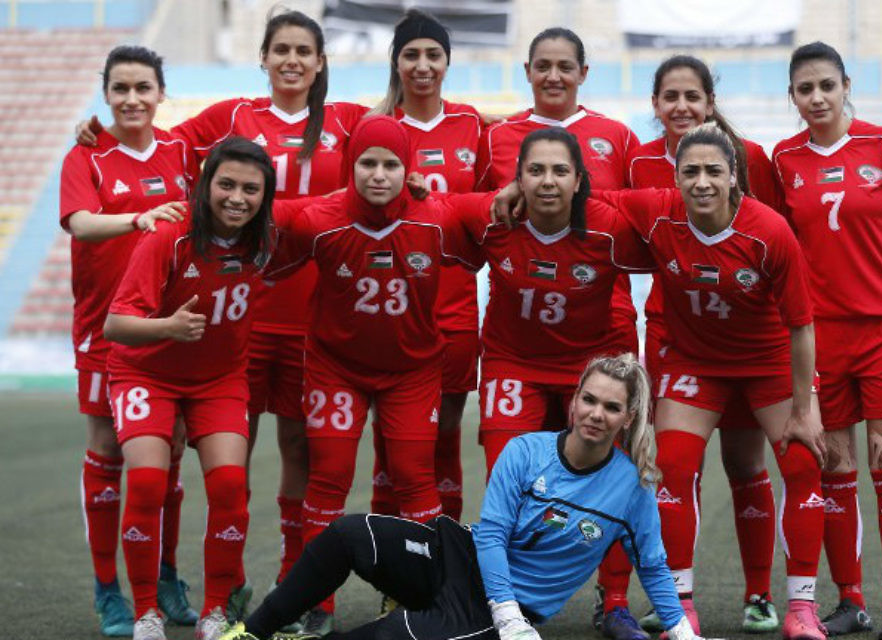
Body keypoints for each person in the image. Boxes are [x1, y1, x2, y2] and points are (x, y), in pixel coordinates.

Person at [76, 15, 367, 621]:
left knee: (299, 450)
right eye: (280, 49)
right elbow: (151, 139)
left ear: (319, 62)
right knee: (219, 459)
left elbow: (403, 139)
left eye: (303, 51)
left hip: (311, 317)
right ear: (262, 58)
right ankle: (221, 591)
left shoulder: (349, 122)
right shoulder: (231, 117)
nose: (292, 60)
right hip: (235, 324)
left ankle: (297, 581)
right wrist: (98, 134)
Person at [217, 353, 700, 640]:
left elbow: (653, 565)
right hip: (462, 559)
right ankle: (252, 632)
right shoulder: (527, 450)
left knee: (393, 634)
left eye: (611, 407)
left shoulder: (632, 485)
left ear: (629, 416)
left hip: (491, 613)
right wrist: (506, 612)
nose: (596, 414)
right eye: (589, 400)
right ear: (574, 400)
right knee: (348, 533)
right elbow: (490, 537)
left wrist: (680, 631)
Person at [592, 123, 829, 640]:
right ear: (675, 177)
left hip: (766, 363)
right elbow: (589, 192)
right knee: (671, 467)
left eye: (713, 171)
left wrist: (805, 405)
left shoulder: (768, 232)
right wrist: (519, 189)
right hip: (696, 362)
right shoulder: (658, 211)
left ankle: (801, 609)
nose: (701, 182)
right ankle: (679, 605)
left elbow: (802, 326)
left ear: (735, 177)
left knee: (803, 462)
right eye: (690, 171)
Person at [262, 115, 483, 635]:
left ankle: (421, 596)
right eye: (367, 163)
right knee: (329, 477)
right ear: (348, 166)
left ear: (407, 170)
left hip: (412, 369)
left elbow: (479, 235)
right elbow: (270, 249)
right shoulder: (319, 220)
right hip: (335, 367)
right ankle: (316, 603)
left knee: (415, 478)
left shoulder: (436, 218)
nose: (378, 174)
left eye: (390, 164)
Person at [772, 42, 882, 640]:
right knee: (835, 470)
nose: (817, 97)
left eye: (826, 84)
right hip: (819, 339)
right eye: (805, 88)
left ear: (846, 84)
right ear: (792, 95)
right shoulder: (783, 159)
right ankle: (851, 599)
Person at [474, 26, 644, 638]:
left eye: (564, 66)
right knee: (508, 475)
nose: (553, 75)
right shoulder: (495, 135)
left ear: (582, 71)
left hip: (597, 341)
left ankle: (616, 600)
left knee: (613, 473)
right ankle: (500, 603)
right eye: (542, 65)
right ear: (526, 70)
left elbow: (631, 219)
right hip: (514, 347)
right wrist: (500, 189)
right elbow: (474, 212)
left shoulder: (617, 135)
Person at [627, 54, 785, 634]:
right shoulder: (638, 160)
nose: (681, 107)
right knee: (673, 467)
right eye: (670, 96)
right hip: (673, 334)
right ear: (655, 104)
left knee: (745, 462)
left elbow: (778, 240)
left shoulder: (751, 160)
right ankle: (674, 597)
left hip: (745, 337)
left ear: (710, 101)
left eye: (692, 96)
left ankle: (760, 593)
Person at [102, 137, 276, 640]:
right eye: (226, 184)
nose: (237, 198)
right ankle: (145, 613)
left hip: (218, 382)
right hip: (146, 374)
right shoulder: (168, 236)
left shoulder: (265, 238)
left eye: (250, 188)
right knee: (149, 484)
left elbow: (324, 208)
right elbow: (116, 324)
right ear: (205, 185)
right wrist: (166, 329)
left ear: (265, 195)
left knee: (229, 488)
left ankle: (214, 611)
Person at [59, 45, 198, 637]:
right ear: (106, 93)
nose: (132, 99)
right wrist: (138, 219)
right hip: (104, 329)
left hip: (171, 330)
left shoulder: (183, 150)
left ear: (161, 92)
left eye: (143, 87)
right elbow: (81, 224)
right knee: (108, 454)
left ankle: (164, 575)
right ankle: (107, 588)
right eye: (120, 89)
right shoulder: (86, 154)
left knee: (165, 458)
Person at [454, 127, 651, 475]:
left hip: (589, 361)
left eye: (560, 172)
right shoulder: (492, 218)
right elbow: (429, 209)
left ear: (578, 181)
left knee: (597, 481)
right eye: (535, 171)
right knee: (507, 476)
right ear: (518, 178)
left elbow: (674, 228)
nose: (547, 181)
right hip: (514, 360)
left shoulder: (610, 228)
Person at [367, 8, 485, 527]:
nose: (422, 64)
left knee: (446, 430)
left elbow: (486, 209)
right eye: (411, 54)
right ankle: (390, 562)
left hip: (454, 301)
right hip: (391, 304)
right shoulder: (375, 128)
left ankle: (443, 550)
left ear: (447, 62)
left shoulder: (474, 125)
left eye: (432, 54)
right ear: (395, 62)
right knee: (389, 435)